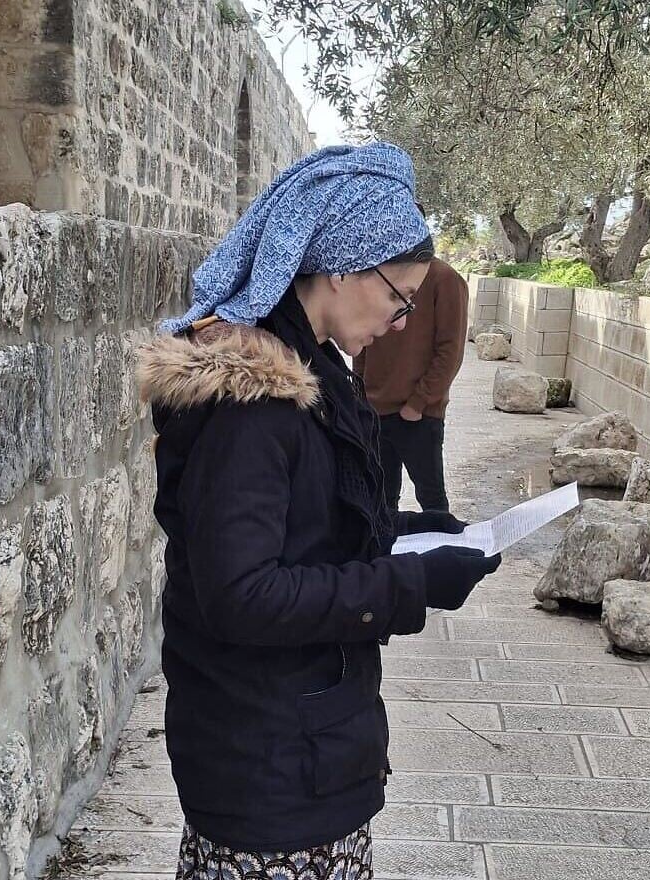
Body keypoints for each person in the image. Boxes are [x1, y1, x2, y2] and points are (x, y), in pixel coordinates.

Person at [137, 142, 503, 880]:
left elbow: (307, 529)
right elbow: (243, 594)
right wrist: (408, 585)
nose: (401, 322)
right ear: (342, 266)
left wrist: (409, 534)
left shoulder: (311, 372)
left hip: (303, 749)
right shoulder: (251, 405)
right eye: (399, 297)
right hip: (268, 767)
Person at [352, 221, 468, 513]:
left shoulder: (445, 279)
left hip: (418, 415)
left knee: (432, 499)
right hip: (376, 410)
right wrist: (360, 392)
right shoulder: (381, 273)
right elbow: (364, 339)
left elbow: (450, 350)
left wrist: (419, 403)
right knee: (381, 498)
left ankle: (441, 543)